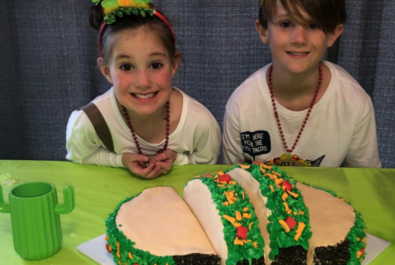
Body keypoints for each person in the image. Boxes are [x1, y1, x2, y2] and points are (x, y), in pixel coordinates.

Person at [66, 0, 221, 179]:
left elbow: (206, 168)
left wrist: (178, 159)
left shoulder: (201, 125)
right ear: (107, 71)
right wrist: (120, 160)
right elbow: (80, 158)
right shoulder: (88, 124)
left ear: (174, 64)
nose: (143, 82)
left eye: (155, 65)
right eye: (126, 67)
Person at [222, 0, 381, 167]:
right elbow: (231, 180)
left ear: (333, 34)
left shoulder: (354, 103)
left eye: (313, 25)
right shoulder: (242, 104)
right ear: (263, 31)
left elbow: (366, 181)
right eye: (285, 23)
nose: (299, 39)